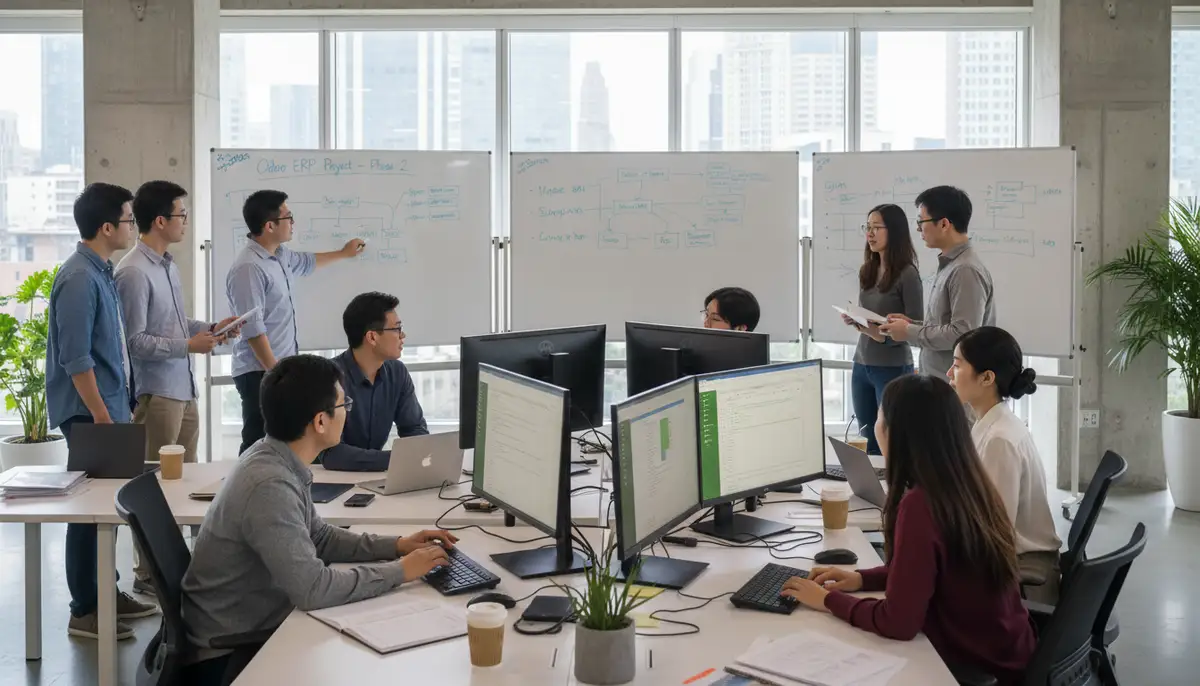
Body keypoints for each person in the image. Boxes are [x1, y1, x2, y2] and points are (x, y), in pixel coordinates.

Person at [180, 354, 454, 686]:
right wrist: (401, 571)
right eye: (344, 405)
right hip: (229, 652)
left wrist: (396, 546)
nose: (348, 412)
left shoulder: (275, 456)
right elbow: (313, 589)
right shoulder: (270, 484)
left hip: (255, 621)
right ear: (320, 421)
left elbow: (318, 538)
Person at [779, 375, 1035, 684]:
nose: (877, 426)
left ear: (897, 433)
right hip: (1007, 653)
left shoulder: (921, 505)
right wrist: (862, 578)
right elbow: (935, 570)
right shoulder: (970, 482)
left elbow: (899, 622)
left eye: (879, 417)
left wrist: (826, 601)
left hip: (971, 668)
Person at [116, 180, 243, 596]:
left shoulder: (168, 265)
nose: (186, 222)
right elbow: (134, 342)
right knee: (152, 490)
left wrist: (208, 329)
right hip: (157, 393)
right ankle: (147, 574)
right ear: (158, 220)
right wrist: (188, 345)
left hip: (183, 388)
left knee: (184, 486)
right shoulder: (133, 272)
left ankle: (178, 569)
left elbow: (172, 326)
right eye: (181, 215)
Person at [45, 182, 158, 640]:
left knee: (105, 509)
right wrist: (102, 417)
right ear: (107, 226)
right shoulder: (78, 278)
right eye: (129, 220)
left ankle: (105, 594)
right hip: (91, 415)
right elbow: (76, 359)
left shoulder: (100, 272)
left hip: (107, 409)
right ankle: (85, 611)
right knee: (87, 511)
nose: (133, 227)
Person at [226, 190, 365, 454]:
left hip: (278, 370)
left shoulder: (281, 256)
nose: (293, 222)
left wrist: (344, 253)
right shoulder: (248, 268)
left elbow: (308, 262)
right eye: (288, 217)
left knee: (282, 444)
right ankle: (248, 492)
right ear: (269, 226)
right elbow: (254, 330)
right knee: (258, 444)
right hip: (260, 373)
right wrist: (276, 376)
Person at [950, 326, 1062, 604]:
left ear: (987, 377)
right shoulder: (991, 424)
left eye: (957, 365)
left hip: (1023, 572)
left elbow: (994, 532)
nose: (949, 374)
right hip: (1012, 558)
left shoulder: (1000, 440)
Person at [879, 186, 994, 380]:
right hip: (939, 382)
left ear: (943, 224)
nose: (918, 228)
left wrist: (909, 331)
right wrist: (911, 324)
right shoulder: (950, 265)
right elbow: (945, 324)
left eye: (921, 221)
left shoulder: (965, 270)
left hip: (953, 388)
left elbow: (962, 333)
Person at [842, 204, 923, 455]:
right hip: (861, 364)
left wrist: (874, 332)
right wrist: (858, 322)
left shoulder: (908, 274)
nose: (870, 233)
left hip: (892, 368)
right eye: (868, 227)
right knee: (867, 440)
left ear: (895, 231)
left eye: (877, 227)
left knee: (891, 442)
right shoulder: (867, 270)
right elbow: (871, 321)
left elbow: (916, 327)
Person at [320, 292, 428, 472]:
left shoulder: (397, 373)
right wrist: (395, 460)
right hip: (329, 482)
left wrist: (423, 454)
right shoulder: (329, 378)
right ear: (372, 337)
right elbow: (331, 454)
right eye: (397, 329)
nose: (403, 335)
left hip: (372, 478)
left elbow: (413, 429)